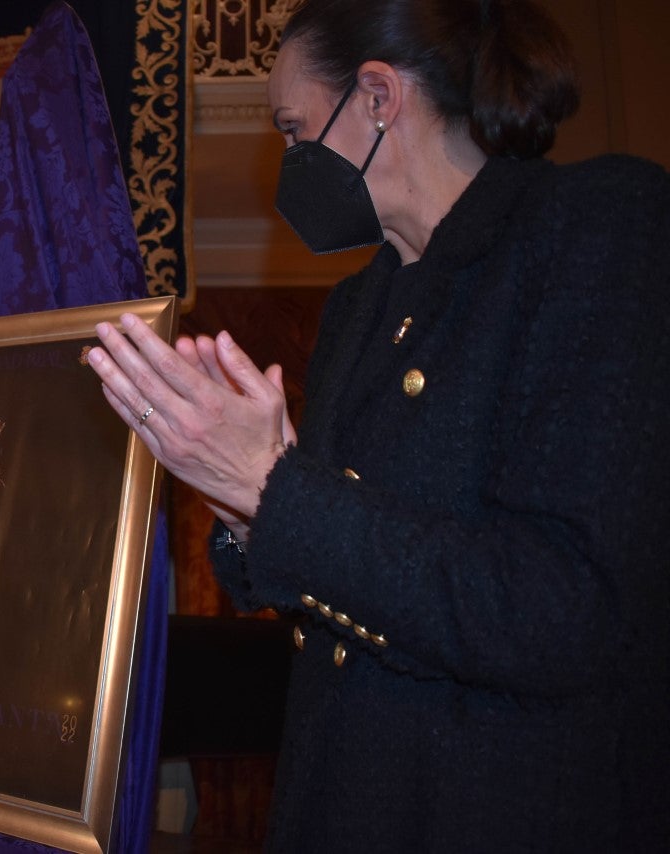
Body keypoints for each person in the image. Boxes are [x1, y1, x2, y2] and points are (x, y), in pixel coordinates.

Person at [86, 0, 669, 851]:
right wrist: (244, 497)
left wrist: (271, 487)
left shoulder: (596, 225)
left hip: (494, 810)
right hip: (342, 797)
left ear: (378, 98)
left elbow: (563, 609)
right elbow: (338, 558)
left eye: (293, 128)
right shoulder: (363, 301)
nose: (288, 160)